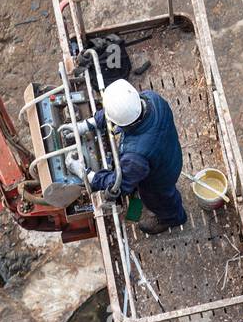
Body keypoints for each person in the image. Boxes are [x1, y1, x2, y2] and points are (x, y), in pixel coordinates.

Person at [64, 79, 188, 235]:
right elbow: (121, 111)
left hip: (159, 179)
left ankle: (174, 218)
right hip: (169, 152)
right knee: (148, 180)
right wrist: (88, 124)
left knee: (160, 199)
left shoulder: (136, 155)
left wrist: (85, 173)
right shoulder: (152, 99)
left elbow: (118, 184)